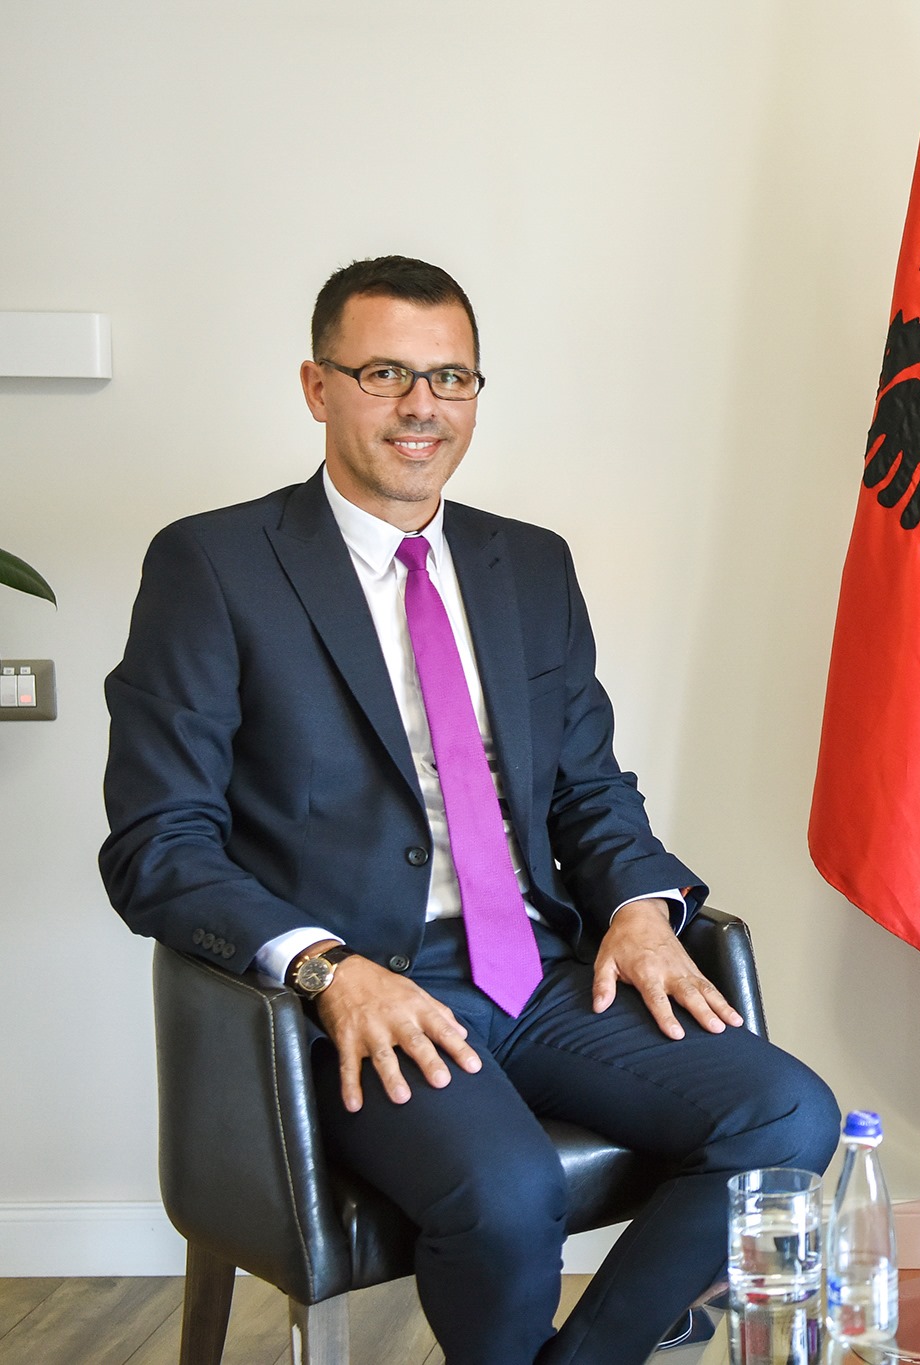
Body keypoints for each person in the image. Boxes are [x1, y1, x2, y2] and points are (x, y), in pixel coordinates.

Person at [101, 256, 839, 1365]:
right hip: (362, 990)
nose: (421, 406)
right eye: (385, 373)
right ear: (316, 386)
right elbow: (157, 843)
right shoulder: (214, 565)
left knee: (788, 1116)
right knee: (506, 1191)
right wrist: (327, 969)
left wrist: (640, 907)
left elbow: (588, 787)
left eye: (450, 378)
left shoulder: (528, 564)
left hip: (539, 971)